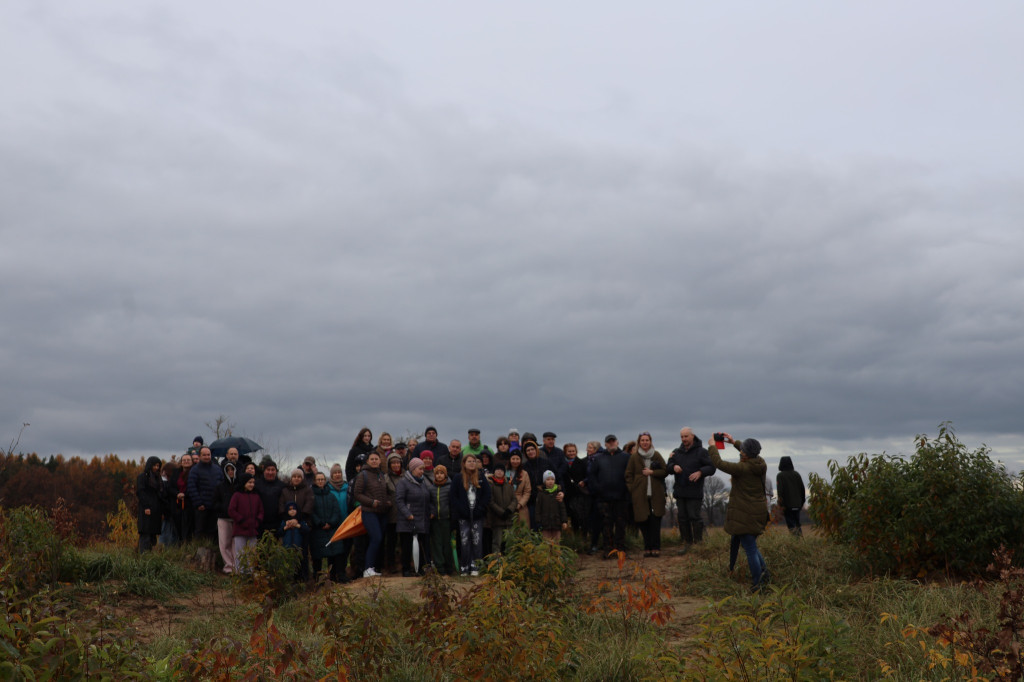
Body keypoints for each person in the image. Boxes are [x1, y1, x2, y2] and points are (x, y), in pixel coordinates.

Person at [709, 434, 771, 592]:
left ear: (744, 453)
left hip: (745, 513)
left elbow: (719, 463)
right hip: (758, 512)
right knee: (751, 546)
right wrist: (734, 442)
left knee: (750, 549)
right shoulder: (760, 464)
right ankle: (765, 576)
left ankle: (758, 584)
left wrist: (712, 447)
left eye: (742, 450)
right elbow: (751, 452)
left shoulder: (742, 468)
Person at [666, 427, 716, 550]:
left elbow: (712, 467)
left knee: (694, 517)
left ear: (692, 436)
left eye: (686, 436)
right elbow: (668, 467)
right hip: (680, 491)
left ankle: (698, 544)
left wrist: (700, 472)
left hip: (694, 492)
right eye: (682, 437)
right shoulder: (676, 452)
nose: (684, 439)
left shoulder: (702, 452)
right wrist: (673, 466)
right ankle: (686, 543)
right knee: (682, 518)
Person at [625, 432, 668, 557]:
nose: (645, 442)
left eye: (647, 440)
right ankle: (647, 547)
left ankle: (656, 547)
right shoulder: (634, 457)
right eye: (642, 440)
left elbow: (665, 471)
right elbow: (628, 475)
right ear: (639, 442)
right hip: (640, 495)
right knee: (643, 522)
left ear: (650, 441)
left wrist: (652, 472)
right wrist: (633, 489)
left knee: (655, 522)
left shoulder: (656, 455)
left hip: (656, 495)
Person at [351, 451, 392, 578]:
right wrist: (371, 502)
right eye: (372, 459)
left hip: (382, 512)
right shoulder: (363, 475)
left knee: (378, 540)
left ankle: (373, 567)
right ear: (368, 461)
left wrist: (387, 501)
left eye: (376, 459)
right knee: (376, 538)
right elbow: (357, 494)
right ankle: (367, 568)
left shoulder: (381, 474)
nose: (374, 461)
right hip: (369, 512)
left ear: (380, 461)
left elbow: (385, 491)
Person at [588, 435, 630, 557]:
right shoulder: (598, 458)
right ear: (605, 444)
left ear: (617, 442)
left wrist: (627, 490)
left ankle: (620, 550)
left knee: (621, 525)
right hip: (603, 498)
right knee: (606, 525)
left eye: (613, 441)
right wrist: (598, 489)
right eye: (609, 442)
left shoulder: (626, 457)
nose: (611, 444)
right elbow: (592, 476)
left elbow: (631, 475)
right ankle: (608, 550)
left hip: (621, 498)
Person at [450, 453, 492, 576]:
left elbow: (487, 495)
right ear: (464, 463)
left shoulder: (481, 477)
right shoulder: (458, 478)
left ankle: (476, 566)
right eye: (469, 461)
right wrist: (461, 510)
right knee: (464, 541)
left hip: (478, 515)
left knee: (477, 541)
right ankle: (464, 566)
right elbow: (453, 497)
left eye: (474, 461)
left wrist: (480, 508)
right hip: (463, 516)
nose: (472, 463)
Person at [395, 457, 431, 577]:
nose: (422, 471)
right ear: (412, 469)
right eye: (420, 469)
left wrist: (431, 512)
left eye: (423, 469)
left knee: (421, 546)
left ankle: (420, 569)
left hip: (422, 520)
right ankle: (406, 569)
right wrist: (408, 514)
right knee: (407, 546)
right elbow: (399, 500)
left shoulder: (423, 482)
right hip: (407, 521)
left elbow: (427, 499)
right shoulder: (403, 482)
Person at [279, 469, 315, 580]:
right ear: (291, 478)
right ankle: (289, 577)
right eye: (294, 476)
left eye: (299, 476)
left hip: (303, 524)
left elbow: (309, 503)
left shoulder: (307, 490)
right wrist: (288, 519)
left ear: (302, 478)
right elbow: (281, 505)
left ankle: (304, 577)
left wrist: (298, 519)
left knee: (303, 552)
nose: (296, 478)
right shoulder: (285, 490)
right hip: (288, 525)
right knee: (288, 551)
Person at [310, 472, 344, 583]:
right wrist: (320, 523)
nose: (320, 481)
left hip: (332, 528)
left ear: (325, 480)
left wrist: (331, 523)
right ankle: (317, 580)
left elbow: (336, 511)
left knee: (335, 553)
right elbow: (311, 512)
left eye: (322, 479)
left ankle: (334, 577)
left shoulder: (331, 495)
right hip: (317, 530)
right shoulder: (311, 495)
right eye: (318, 479)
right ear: (315, 481)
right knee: (317, 557)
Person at [229, 473, 263, 574]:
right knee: (240, 553)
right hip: (240, 529)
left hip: (253, 530)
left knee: (252, 553)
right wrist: (241, 520)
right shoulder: (237, 495)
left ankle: (250, 573)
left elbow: (261, 511)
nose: (252, 485)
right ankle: (240, 573)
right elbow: (231, 510)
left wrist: (258, 521)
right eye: (249, 482)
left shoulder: (256, 496)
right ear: (244, 483)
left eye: (253, 483)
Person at [188, 447, 224, 541]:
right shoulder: (194, 470)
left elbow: (222, 485)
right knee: (200, 531)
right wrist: (199, 503)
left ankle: (213, 551)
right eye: (204, 455)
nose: (207, 457)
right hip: (202, 507)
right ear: (199, 456)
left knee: (213, 531)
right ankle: (198, 551)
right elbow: (192, 487)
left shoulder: (217, 469)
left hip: (214, 506)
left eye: (208, 455)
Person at [428, 464, 456, 576]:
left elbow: (453, 503)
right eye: (437, 473)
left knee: (447, 545)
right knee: (437, 545)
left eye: (442, 473)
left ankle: (450, 567)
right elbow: (429, 503)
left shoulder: (450, 487)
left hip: (447, 520)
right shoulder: (431, 488)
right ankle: (440, 568)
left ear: (445, 474)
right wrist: (432, 512)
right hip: (435, 521)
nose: (439, 476)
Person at [326, 464, 353, 582]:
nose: (337, 475)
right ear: (331, 475)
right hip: (333, 524)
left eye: (339, 473)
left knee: (345, 550)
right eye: (335, 473)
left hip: (347, 523)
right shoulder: (327, 488)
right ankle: (332, 575)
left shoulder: (348, 487)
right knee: (334, 551)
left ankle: (342, 573)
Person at [213, 461, 238, 573]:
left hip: (237, 518)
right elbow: (214, 502)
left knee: (236, 543)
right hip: (223, 518)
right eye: (228, 470)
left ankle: (237, 566)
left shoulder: (239, 485)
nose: (230, 472)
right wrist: (223, 507)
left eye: (232, 469)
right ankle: (229, 567)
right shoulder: (220, 486)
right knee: (224, 543)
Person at [486, 465, 517, 554]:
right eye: (497, 470)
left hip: (509, 519)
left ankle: (509, 564)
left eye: (501, 470)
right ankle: (496, 564)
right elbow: (490, 502)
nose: (499, 471)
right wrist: (501, 512)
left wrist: (509, 510)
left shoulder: (509, 485)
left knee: (509, 543)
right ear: (494, 472)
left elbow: (514, 499)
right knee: (497, 543)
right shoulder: (490, 485)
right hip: (497, 519)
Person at [136, 456, 163, 553]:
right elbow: (140, 492)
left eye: (158, 466)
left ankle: (150, 556)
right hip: (146, 509)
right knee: (145, 534)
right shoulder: (142, 477)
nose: (156, 468)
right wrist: (146, 506)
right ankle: (144, 556)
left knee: (153, 535)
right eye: (155, 465)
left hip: (156, 510)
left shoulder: (158, 478)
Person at [384, 453, 404, 573]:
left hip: (404, 514)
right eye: (393, 463)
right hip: (391, 514)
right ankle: (390, 566)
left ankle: (405, 564)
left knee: (404, 542)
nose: (396, 465)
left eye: (398, 462)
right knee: (391, 542)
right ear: (389, 465)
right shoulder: (385, 477)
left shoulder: (407, 476)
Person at [254, 459, 286, 538]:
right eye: (268, 470)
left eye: (273, 470)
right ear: (264, 471)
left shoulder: (282, 486)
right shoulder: (256, 484)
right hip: (260, 523)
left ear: (276, 471)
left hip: (277, 523)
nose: (270, 472)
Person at [563, 442, 590, 536]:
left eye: (573, 451)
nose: (571, 453)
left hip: (579, 494)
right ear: (565, 452)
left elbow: (587, 476)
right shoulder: (562, 463)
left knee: (580, 517)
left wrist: (584, 481)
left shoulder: (582, 463)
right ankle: (572, 537)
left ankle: (582, 537)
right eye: (569, 451)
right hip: (566, 494)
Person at [536, 470, 568, 543]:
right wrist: (538, 521)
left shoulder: (558, 493)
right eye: (548, 479)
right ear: (544, 481)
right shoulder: (541, 494)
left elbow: (562, 508)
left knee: (556, 543)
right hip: (545, 524)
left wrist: (564, 521)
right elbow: (538, 509)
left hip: (557, 523)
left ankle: (556, 555)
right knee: (546, 543)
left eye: (552, 479)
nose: (550, 481)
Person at [777, 456, 806, 537]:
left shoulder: (780, 476)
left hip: (787, 506)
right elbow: (802, 490)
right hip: (797, 505)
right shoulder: (797, 474)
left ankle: (796, 544)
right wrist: (801, 503)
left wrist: (780, 506)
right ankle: (801, 544)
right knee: (797, 525)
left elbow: (780, 492)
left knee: (791, 527)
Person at [174, 453, 195, 542]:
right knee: (179, 527)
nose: (186, 462)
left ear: (192, 462)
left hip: (190, 503)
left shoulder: (194, 472)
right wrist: (177, 493)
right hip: (178, 504)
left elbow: (194, 486)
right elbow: (171, 487)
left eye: (188, 460)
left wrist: (185, 494)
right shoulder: (176, 473)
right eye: (184, 460)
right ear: (181, 462)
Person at [507, 450, 532, 525]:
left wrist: (520, 504)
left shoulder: (524, 473)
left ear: (520, 460)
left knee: (522, 531)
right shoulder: (505, 472)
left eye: (517, 459)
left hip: (521, 506)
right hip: (507, 504)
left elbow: (527, 491)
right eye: (513, 459)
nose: (515, 461)